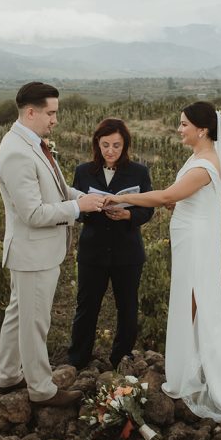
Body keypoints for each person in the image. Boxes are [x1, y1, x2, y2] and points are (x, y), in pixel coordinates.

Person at [107, 101, 221, 421]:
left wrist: (122, 196)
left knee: (195, 299)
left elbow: (167, 196)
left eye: (183, 124)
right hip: (187, 236)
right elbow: (183, 200)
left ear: (201, 129)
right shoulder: (198, 157)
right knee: (191, 299)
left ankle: (196, 369)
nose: (179, 130)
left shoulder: (205, 165)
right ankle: (192, 363)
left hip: (195, 242)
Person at [0, 82, 106, 407]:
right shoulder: (16, 152)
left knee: (18, 315)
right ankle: (42, 390)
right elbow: (32, 213)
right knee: (35, 322)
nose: (55, 119)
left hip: (36, 251)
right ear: (31, 112)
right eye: (51, 113)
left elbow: (56, 189)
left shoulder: (34, 144)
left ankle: (7, 376)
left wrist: (86, 198)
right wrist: (78, 209)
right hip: (32, 253)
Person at [67, 118, 154, 371]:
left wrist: (128, 215)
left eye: (116, 145)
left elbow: (147, 210)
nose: (111, 151)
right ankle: (77, 360)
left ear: (125, 145)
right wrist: (89, 209)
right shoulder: (83, 171)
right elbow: (75, 209)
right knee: (86, 307)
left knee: (127, 307)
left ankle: (121, 359)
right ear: (97, 144)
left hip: (127, 252)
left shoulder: (139, 172)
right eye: (105, 145)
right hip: (92, 251)